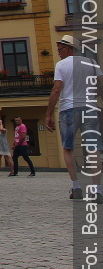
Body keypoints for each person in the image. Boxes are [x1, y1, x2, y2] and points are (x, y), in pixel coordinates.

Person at [46, 34, 102, 199]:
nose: (59, 53)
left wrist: (49, 113)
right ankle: (98, 190)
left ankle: (76, 188)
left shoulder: (61, 65)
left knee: (68, 148)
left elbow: (57, 90)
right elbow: (101, 85)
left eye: (61, 49)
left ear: (69, 48)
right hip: (90, 108)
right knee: (94, 149)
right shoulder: (92, 63)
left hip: (68, 109)